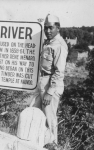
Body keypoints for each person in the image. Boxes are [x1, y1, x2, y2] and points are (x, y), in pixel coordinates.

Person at [32, 14, 68, 146]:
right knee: (34, 113)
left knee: (50, 119)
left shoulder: (59, 45)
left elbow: (59, 72)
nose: (48, 31)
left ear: (58, 28)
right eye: (46, 28)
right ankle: (38, 144)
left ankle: (53, 145)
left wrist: (50, 92)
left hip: (51, 85)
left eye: (51, 28)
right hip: (43, 82)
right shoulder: (49, 42)